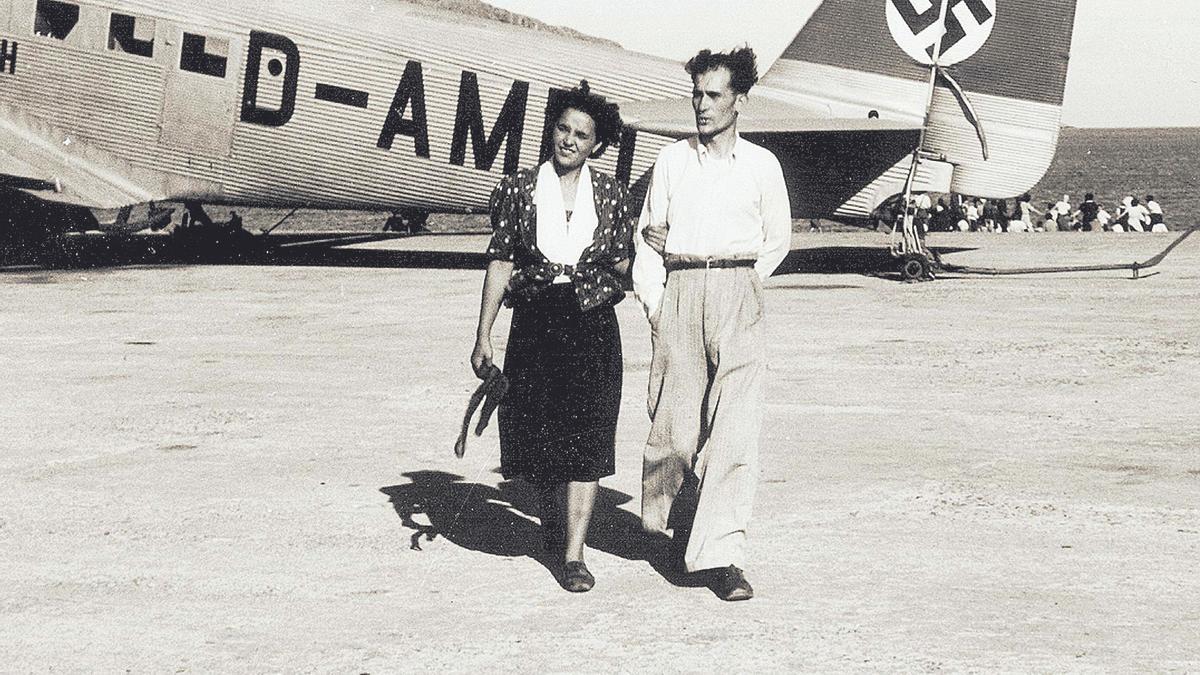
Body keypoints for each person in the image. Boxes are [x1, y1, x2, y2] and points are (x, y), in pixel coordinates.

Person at [631, 47, 790, 602]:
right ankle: (674, 524)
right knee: (673, 432)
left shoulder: (762, 165)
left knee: (735, 430)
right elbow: (648, 240)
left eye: (713, 95)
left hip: (737, 293)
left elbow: (778, 239)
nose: (700, 105)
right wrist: (657, 306)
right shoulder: (672, 160)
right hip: (679, 292)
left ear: (739, 101)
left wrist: (742, 283)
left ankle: (724, 557)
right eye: (696, 94)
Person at [470, 82, 633, 593]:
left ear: (596, 145)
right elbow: (501, 260)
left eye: (581, 135)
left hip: (591, 323)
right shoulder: (519, 189)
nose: (568, 140)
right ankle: (551, 526)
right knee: (539, 437)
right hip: (536, 322)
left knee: (587, 438)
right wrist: (483, 334)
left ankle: (574, 555)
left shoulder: (611, 195)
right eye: (562, 129)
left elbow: (626, 263)